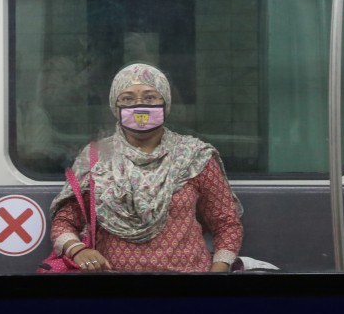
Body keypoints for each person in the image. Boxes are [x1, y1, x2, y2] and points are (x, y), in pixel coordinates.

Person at [48, 63, 243, 272]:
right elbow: (64, 221)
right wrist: (78, 250)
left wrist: (218, 273)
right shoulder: (95, 158)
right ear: (116, 105)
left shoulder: (194, 156)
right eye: (128, 98)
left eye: (150, 98)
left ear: (165, 102)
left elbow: (226, 224)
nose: (139, 105)